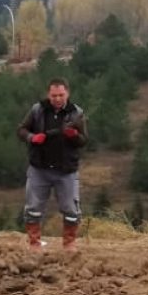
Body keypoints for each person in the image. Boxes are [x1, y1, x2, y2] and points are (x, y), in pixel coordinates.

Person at [18, 78, 87, 250]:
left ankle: (69, 244)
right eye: (54, 95)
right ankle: (34, 243)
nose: (57, 99)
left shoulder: (77, 113)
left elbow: (84, 140)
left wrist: (74, 136)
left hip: (66, 170)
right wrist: (32, 138)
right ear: (48, 94)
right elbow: (21, 129)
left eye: (61, 95)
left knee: (71, 209)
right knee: (33, 207)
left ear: (67, 93)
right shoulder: (37, 110)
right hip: (39, 168)